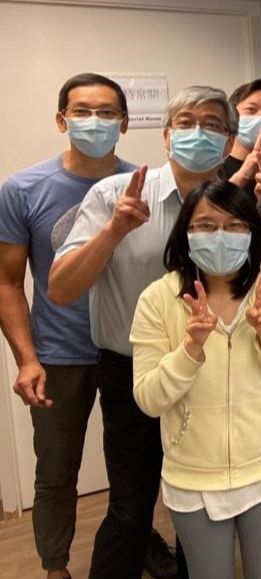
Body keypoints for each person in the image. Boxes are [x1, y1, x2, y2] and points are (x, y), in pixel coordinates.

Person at [49, 85, 261, 579]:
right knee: (131, 509)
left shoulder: (236, 204)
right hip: (133, 373)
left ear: (229, 142)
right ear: (165, 135)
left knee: (200, 510)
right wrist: (114, 231)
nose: (198, 132)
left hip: (218, 372)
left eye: (213, 125)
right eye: (186, 122)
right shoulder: (115, 195)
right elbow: (61, 288)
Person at [131, 180, 261, 578]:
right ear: (186, 232)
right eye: (206, 226)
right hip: (193, 478)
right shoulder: (158, 300)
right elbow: (148, 398)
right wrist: (190, 349)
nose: (221, 235)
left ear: (252, 231)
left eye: (234, 225)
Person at [0, 72, 133, 579]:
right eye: (82, 111)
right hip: (58, 357)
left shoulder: (142, 183)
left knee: (136, 468)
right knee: (56, 472)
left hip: (129, 350)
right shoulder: (23, 189)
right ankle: (55, 567)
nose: (94, 121)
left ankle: (137, 546)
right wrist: (26, 359)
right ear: (62, 120)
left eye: (106, 112)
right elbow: (7, 282)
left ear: (123, 123)